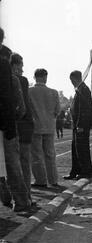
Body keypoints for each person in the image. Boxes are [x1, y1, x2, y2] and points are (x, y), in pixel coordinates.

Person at [0, 51, 32, 212]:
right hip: (8, 127)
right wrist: (13, 117)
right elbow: (22, 108)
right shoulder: (14, 80)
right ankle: (21, 200)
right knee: (14, 165)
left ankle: (6, 196)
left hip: (7, 126)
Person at [28, 68, 60, 188]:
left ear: (35, 77)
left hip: (35, 127)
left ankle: (40, 180)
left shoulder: (29, 91)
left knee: (36, 155)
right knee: (50, 154)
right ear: (44, 77)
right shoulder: (54, 92)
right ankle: (53, 180)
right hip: (49, 127)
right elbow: (57, 110)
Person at [10, 53, 35, 203]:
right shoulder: (21, 80)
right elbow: (24, 106)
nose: (23, 68)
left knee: (10, 165)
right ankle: (26, 197)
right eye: (21, 65)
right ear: (15, 65)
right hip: (22, 125)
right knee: (24, 163)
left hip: (9, 126)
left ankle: (11, 197)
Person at [63, 70, 92, 180]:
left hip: (81, 125)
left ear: (74, 78)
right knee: (76, 149)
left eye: (71, 80)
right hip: (76, 125)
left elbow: (85, 109)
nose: (71, 82)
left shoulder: (83, 89)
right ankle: (75, 171)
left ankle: (86, 172)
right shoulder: (80, 89)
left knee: (82, 149)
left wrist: (81, 125)